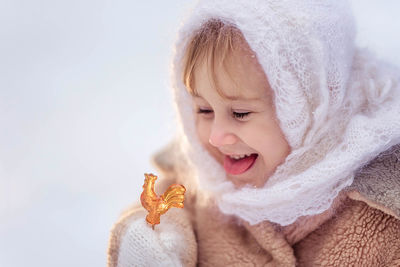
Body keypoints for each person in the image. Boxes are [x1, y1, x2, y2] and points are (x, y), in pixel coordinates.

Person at [108, 0, 400, 266]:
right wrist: (152, 246)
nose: (217, 137)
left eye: (240, 113)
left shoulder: (384, 218)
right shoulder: (195, 182)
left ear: (309, 109)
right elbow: (157, 215)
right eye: (204, 111)